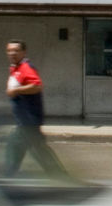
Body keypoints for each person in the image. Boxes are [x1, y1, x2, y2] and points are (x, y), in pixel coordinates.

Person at [4, 39, 69, 179]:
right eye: (9, 50)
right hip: (24, 120)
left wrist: (16, 90)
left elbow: (36, 86)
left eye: (16, 50)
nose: (12, 53)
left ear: (23, 52)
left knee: (23, 147)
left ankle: (9, 175)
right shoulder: (15, 68)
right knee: (25, 147)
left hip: (28, 120)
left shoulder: (25, 67)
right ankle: (9, 175)